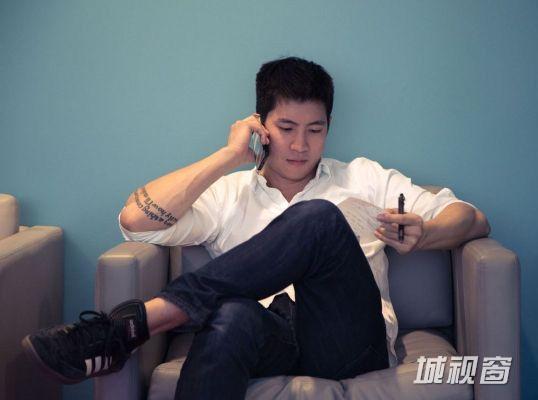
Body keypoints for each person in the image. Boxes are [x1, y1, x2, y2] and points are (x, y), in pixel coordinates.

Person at [22, 56, 490, 399]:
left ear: (329, 127)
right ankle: (132, 326)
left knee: (320, 219)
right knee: (230, 316)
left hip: (347, 340)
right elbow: (134, 221)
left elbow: (471, 217)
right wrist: (228, 156)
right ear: (260, 125)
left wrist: (426, 234)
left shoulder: (363, 177)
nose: (301, 145)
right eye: (286, 128)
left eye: (315, 129)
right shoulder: (228, 192)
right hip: (268, 337)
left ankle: (133, 325)